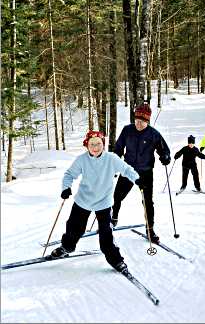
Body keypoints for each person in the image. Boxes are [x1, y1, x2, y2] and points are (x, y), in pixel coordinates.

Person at [50, 130, 140, 274]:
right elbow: (69, 174)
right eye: (92, 144)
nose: (95, 147)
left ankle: (116, 260)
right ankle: (66, 247)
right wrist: (66, 188)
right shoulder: (82, 160)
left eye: (98, 143)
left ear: (102, 144)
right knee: (74, 228)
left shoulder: (112, 158)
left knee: (106, 234)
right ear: (87, 145)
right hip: (83, 200)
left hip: (104, 202)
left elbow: (126, 169)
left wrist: (137, 179)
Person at [111, 102, 171, 243]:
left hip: (145, 173)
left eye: (142, 122)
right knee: (117, 196)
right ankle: (113, 219)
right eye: (137, 121)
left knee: (147, 202)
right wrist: (114, 164)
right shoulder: (127, 130)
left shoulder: (153, 134)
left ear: (147, 121)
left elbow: (164, 150)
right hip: (127, 170)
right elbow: (118, 149)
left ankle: (150, 229)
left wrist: (165, 157)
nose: (139, 124)